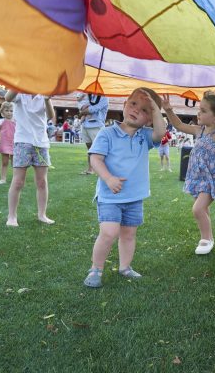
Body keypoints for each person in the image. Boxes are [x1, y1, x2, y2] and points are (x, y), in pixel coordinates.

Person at [83, 88, 165, 288]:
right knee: (109, 232)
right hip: (110, 196)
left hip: (134, 198)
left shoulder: (144, 136)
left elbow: (161, 132)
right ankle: (96, 269)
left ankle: (125, 267)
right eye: (134, 104)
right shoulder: (107, 133)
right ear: (124, 104)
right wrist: (109, 178)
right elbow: (95, 159)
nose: (137, 110)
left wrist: (156, 108)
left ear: (149, 119)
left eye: (145, 110)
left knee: (128, 234)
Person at [163, 91, 215, 255]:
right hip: (197, 178)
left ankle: (206, 239)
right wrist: (168, 110)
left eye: (203, 110)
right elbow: (179, 125)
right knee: (203, 210)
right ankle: (210, 237)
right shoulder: (198, 131)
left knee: (197, 209)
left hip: (211, 181)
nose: (198, 113)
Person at [5, 91, 55, 227]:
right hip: (22, 141)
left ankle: (42, 215)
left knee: (42, 182)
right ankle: (12, 216)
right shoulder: (20, 93)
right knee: (18, 181)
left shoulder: (43, 94)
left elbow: (50, 116)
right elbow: (7, 97)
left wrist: (46, 99)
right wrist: (20, 82)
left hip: (41, 143)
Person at [78, 94, 109, 174]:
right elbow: (80, 104)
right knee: (89, 149)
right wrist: (82, 111)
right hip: (85, 125)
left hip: (97, 125)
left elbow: (94, 109)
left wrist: (82, 113)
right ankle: (90, 169)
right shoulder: (87, 95)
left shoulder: (104, 97)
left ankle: (103, 169)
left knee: (99, 149)